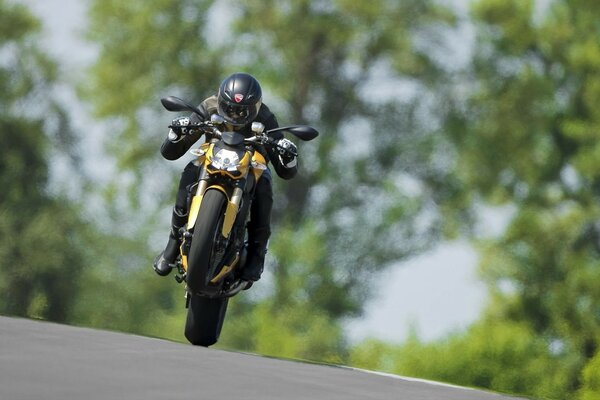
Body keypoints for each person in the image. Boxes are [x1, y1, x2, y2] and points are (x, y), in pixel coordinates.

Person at [153, 72, 298, 283]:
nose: (237, 115)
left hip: (251, 166)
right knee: (190, 170)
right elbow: (172, 152)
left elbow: (286, 171)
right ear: (221, 101)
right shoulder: (209, 106)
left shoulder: (266, 117)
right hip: (212, 158)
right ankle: (174, 242)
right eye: (230, 108)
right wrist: (176, 134)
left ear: (255, 107)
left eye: (243, 111)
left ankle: (257, 255)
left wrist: (288, 154)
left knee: (265, 184)